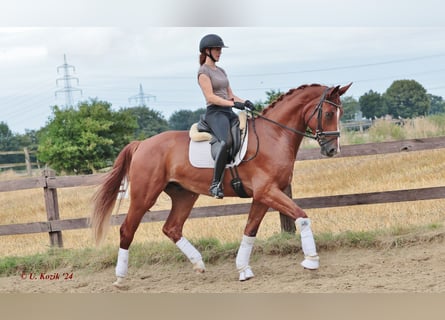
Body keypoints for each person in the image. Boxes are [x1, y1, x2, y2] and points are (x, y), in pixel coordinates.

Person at [197, 34, 254, 199]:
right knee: (225, 142)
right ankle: (215, 184)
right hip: (215, 113)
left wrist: (245, 102)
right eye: (217, 49)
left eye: (220, 49)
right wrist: (232, 104)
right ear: (207, 51)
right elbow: (210, 97)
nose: (219, 52)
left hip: (228, 111)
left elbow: (231, 95)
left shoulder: (221, 71)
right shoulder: (203, 72)